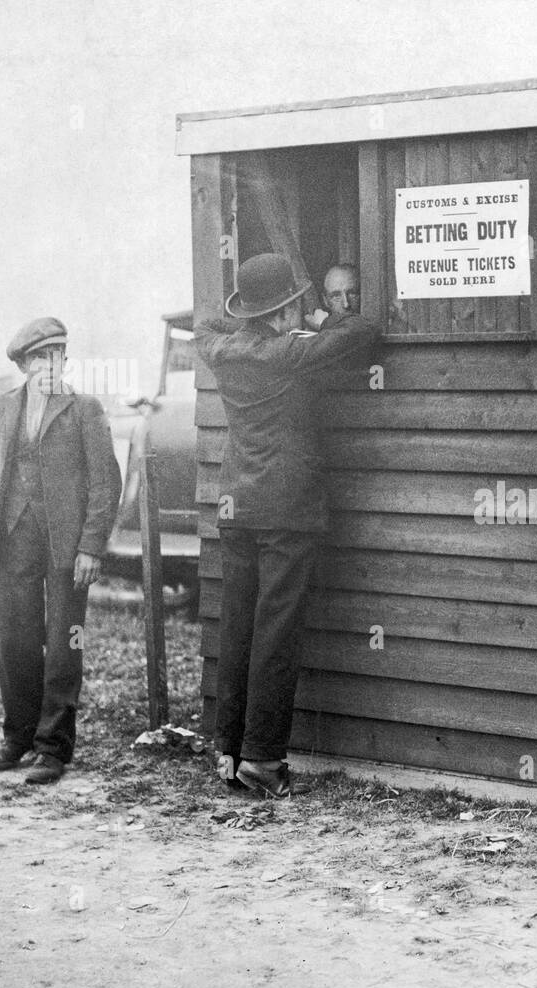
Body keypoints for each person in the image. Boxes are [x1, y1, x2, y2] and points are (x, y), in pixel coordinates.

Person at [194, 254, 379, 799]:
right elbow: (364, 330)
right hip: (285, 513)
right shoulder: (294, 352)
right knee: (274, 634)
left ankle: (229, 752)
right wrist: (322, 321)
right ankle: (263, 761)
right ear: (283, 312)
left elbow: (208, 324)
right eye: (297, 302)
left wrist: (255, 321)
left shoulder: (224, 349)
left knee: (239, 628)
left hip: (238, 509)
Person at [0, 318, 122, 785]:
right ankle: (17, 736)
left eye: (57, 354)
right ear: (24, 364)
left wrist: (91, 547)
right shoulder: (1, 409)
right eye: (38, 357)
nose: (48, 364)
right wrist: (1, 531)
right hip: (16, 539)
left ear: (66, 360)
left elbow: (106, 481)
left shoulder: (84, 409)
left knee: (65, 643)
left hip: (67, 544)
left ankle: (52, 747)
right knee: (15, 640)